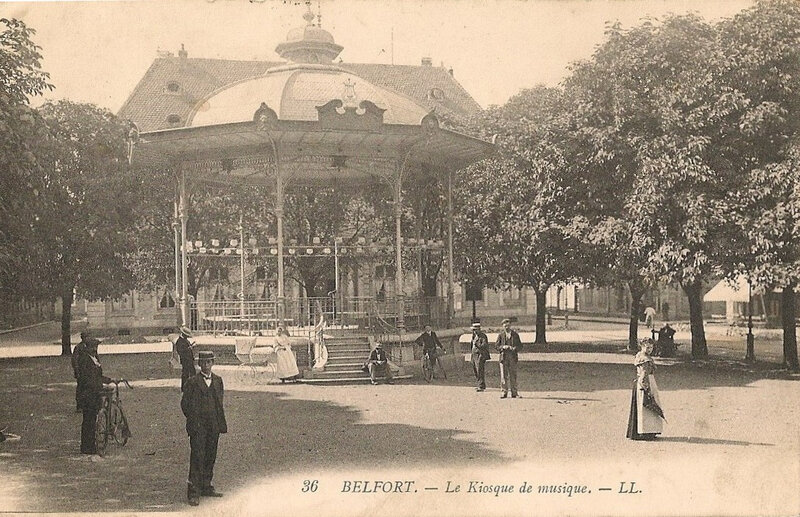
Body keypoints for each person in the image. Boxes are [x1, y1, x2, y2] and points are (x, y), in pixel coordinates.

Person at [181, 351, 227, 506]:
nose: (206, 365)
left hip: (213, 425)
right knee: (197, 457)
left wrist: (218, 422)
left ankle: (206, 485)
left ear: (213, 363)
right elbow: (185, 404)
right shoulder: (192, 382)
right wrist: (194, 420)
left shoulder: (218, 380)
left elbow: (219, 402)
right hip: (199, 426)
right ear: (199, 364)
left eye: (209, 362)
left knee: (210, 455)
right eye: (203, 362)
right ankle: (193, 492)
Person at [76, 338, 112, 455]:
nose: (95, 349)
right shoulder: (85, 360)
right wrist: (99, 385)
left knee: (92, 419)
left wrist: (109, 380)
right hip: (88, 394)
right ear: (87, 348)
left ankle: (90, 445)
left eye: (96, 347)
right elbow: (87, 379)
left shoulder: (95, 359)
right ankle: (86, 447)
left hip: (94, 392)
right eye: (92, 347)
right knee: (88, 420)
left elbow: (98, 376)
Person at [626, 338, 666, 441]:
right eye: (647, 347)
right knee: (648, 405)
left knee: (642, 406)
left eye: (651, 347)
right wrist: (646, 388)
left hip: (640, 381)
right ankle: (647, 431)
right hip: (647, 382)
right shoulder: (645, 359)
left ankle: (643, 430)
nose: (649, 350)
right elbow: (644, 374)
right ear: (642, 346)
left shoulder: (640, 355)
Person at [495, 318, 522, 399]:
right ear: (503, 326)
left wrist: (514, 348)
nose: (506, 327)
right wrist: (503, 347)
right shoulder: (501, 335)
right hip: (503, 357)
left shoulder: (515, 335)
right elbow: (496, 346)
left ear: (510, 325)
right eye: (505, 326)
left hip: (512, 357)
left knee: (513, 375)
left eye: (508, 325)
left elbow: (520, 346)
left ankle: (514, 392)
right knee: (503, 376)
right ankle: (504, 392)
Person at [71, 331, 90, 412]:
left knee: (89, 387)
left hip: (89, 371)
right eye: (85, 337)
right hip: (82, 371)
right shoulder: (78, 347)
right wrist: (76, 370)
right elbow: (74, 360)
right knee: (80, 388)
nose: (87, 339)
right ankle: (79, 406)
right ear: (82, 338)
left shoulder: (90, 347)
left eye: (87, 337)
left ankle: (88, 405)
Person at [470, 322, 490, 392]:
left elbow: (484, 345)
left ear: (479, 329)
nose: (475, 331)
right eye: (474, 330)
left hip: (480, 355)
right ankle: (479, 384)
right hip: (474, 355)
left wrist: (477, 344)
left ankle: (481, 386)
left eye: (476, 330)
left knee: (480, 370)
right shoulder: (474, 336)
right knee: (475, 370)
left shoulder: (483, 336)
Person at [175, 326, 196, 392]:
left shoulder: (184, 340)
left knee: (190, 372)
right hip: (185, 359)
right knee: (186, 373)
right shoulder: (180, 341)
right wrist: (189, 348)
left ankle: (190, 387)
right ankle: (185, 387)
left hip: (189, 359)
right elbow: (180, 351)